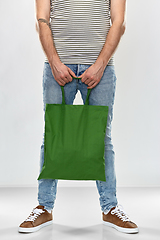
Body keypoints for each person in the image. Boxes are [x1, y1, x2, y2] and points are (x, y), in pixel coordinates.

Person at [18, 0, 139, 234]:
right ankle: (44, 206)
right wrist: (54, 62)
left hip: (100, 70)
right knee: (53, 135)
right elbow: (42, 20)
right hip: (57, 68)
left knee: (101, 138)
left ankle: (110, 207)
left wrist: (100, 64)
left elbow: (118, 22)